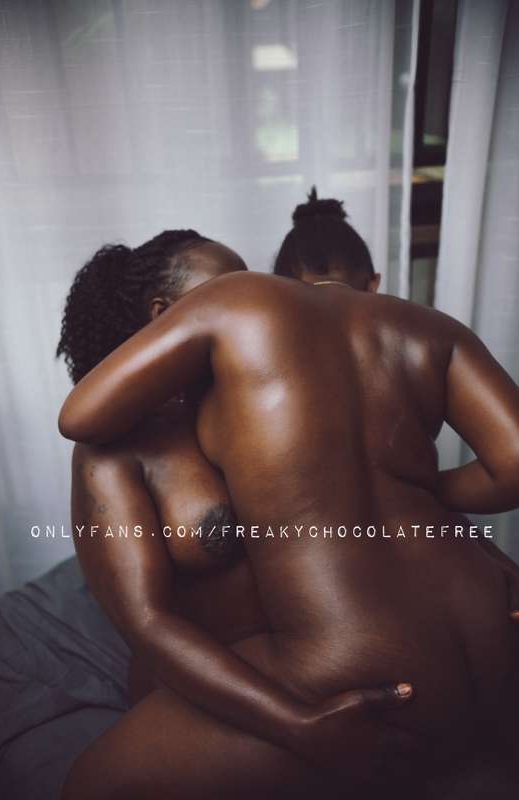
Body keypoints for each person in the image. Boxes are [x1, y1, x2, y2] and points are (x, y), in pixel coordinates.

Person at [58, 196, 519, 798]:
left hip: (343, 659)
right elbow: (147, 619)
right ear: (166, 316)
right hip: (253, 682)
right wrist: (297, 726)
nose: (276, 298)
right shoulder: (115, 453)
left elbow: (383, 508)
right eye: (236, 285)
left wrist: (489, 555)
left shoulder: (279, 397)